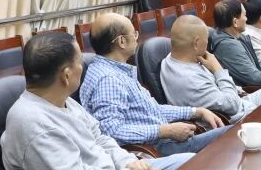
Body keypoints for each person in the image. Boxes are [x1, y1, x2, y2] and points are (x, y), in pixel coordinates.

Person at [1, 31, 193, 170]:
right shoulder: (32, 122)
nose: (83, 67)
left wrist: (129, 163)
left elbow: (100, 137)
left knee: (190, 164)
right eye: (79, 62)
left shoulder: (61, 99)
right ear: (66, 75)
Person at [81, 12, 227, 155]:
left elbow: (153, 110)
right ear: (122, 41)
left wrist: (196, 112)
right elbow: (111, 131)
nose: (137, 38)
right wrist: (165, 131)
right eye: (134, 34)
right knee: (231, 134)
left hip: (163, 140)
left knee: (231, 134)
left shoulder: (114, 70)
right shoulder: (108, 79)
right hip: (154, 149)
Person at [160, 14, 261, 121]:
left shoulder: (174, 58)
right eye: (206, 40)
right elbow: (232, 106)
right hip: (237, 117)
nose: (207, 44)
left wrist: (238, 90)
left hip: (240, 100)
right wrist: (218, 69)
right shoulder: (189, 79)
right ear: (196, 43)